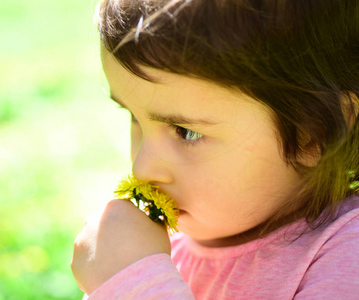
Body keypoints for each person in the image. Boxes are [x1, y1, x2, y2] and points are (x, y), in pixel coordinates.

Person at [71, 0, 359, 298]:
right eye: (134, 117)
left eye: (187, 132)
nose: (142, 168)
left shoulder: (346, 257)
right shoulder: (162, 246)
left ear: (312, 133)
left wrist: (136, 285)